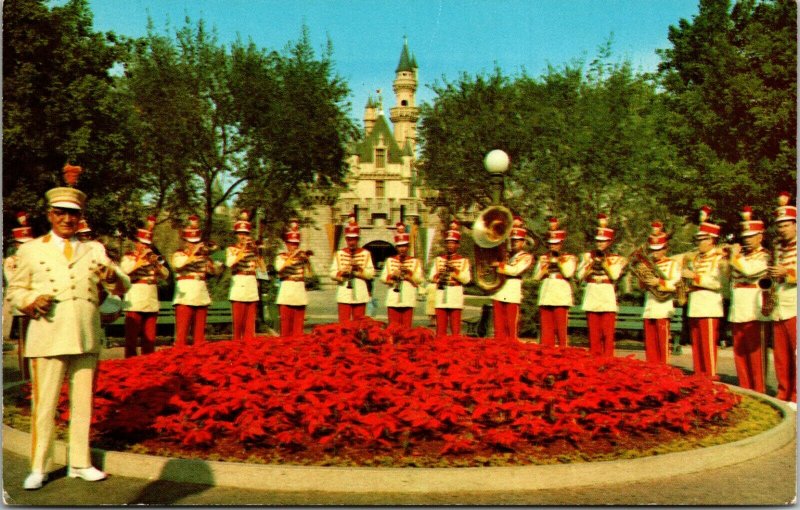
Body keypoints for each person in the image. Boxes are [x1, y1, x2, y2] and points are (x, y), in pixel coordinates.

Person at [6, 164, 130, 490]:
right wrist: (31, 301)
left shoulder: (94, 248)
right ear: (50, 214)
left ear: (80, 217)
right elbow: (14, 292)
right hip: (47, 333)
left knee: (83, 404)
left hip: (85, 333)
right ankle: (39, 466)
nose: (67, 219)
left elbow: (122, 284)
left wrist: (114, 278)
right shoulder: (31, 250)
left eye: (73, 214)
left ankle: (79, 462)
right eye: (60, 213)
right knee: (44, 405)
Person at [726, 207, 770, 393]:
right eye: (744, 237)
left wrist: (734, 256)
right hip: (738, 309)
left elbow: (749, 271)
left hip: (755, 310)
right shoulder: (740, 257)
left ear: (760, 237)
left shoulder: (766, 255)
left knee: (756, 355)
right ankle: (745, 390)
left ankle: (759, 391)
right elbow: (732, 277)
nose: (746, 240)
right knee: (740, 353)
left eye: (751, 236)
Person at [681, 206, 727, 380]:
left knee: (708, 344)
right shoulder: (695, 258)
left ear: (712, 240)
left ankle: (711, 376)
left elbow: (718, 283)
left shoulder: (719, 258)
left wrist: (695, 277)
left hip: (709, 305)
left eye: (703, 239)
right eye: (698, 239)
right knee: (697, 344)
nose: (698, 242)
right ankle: (699, 375)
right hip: (695, 304)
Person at [576, 213, 627, 357]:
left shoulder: (615, 258)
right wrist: (591, 265)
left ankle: (608, 359)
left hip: (606, 293)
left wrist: (604, 264)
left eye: (603, 241)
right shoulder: (587, 256)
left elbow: (615, 276)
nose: (599, 244)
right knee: (593, 333)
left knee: (607, 333)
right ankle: (594, 359)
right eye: (598, 241)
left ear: (609, 242)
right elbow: (579, 276)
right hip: (592, 292)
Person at [120, 215, 169, 357]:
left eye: (148, 244)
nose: (145, 247)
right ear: (137, 243)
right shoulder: (129, 257)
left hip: (151, 301)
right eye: (143, 243)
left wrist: (157, 265)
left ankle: (148, 366)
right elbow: (125, 270)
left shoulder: (153, 258)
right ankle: (130, 365)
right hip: (135, 301)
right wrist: (141, 260)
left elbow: (166, 275)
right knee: (131, 340)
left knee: (150, 340)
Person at [171, 215, 223, 346]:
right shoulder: (179, 254)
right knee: (181, 336)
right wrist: (193, 254)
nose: (193, 244)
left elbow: (215, 272)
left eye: (195, 242)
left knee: (199, 337)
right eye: (191, 242)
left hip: (201, 295)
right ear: (185, 242)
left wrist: (209, 261)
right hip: (185, 297)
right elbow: (178, 265)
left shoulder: (203, 256)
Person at [634, 221, 681, 364]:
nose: (655, 252)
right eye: (653, 249)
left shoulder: (672, 264)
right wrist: (642, 279)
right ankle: (651, 370)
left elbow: (675, 284)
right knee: (650, 343)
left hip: (663, 306)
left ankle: (664, 368)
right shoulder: (646, 265)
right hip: (649, 305)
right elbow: (642, 286)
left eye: (658, 249)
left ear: (665, 249)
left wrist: (659, 282)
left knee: (662, 342)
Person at [768, 192, 796, 405]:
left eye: (787, 225)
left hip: (795, 305)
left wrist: (787, 273)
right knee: (781, 355)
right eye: (780, 225)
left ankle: (795, 395)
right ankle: (783, 393)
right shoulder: (777, 247)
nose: (782, 229)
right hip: (779, 305)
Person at [532, 216, 576, 347]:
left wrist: (558, 261)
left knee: (561, 329)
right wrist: (544, 269)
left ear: (561, 243)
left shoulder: (568, 257)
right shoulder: (544, 258)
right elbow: (536, 276)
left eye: (556, 243)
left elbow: (568, 273)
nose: (553, 246)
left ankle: (563, 352)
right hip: (547, 292)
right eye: (551, 243)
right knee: (546, 329)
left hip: (561, 293)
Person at [490, 216, 534, 342]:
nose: (515, 242)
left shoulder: (526, 256)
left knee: (511, 328)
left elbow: (515, 270)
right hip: (499, 292)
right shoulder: (504, 255)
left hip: (512, 292)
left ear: (523, 242)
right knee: (498, 328)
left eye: (518, 240)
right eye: (513, 240)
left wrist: (499, 265)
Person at [4, 211, 35, 379]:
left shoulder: (35, 258)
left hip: (38, 305)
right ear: (16, 244)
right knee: (25, 341)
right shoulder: (11, 261)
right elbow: (13, 282)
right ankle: (25, 376)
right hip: (23, 305)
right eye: (21, 244)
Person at [225, 212, 265, 341]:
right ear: (236, 235)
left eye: (246, 234)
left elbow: (263, 270)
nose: (243, 236)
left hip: (251, 286)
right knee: (238, 325)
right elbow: (229, 263)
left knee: (250, 326)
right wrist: (242, 251)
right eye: (241, 233)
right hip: (238, 286)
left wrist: (257, 252)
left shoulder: (253, 250)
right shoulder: (231, 249)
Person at [429, 220, 471, 337]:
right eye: (448, 243)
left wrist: (454, 271)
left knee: (455, 328)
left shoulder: (463, 260)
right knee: (440, 329)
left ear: (457, 245)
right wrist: (439, 275)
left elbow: (466, 279)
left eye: (453, 243)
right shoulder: (439, 259)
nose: (450, 245)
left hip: (455, 295)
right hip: (441, 294)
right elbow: (431, 277)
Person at [330, 214, 375, 322]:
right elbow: (332, 273)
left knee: (359, 325)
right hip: (344, 292)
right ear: (346, 239)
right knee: (343, 324)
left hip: (360, 292)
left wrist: (358, 269)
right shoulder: (339, 253)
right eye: (349, 239)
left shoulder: (365, 253)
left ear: (358, 239)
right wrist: (342, 272)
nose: (352, 242)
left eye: (354, 239)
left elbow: (371, 274)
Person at [380, 223, 424, 328]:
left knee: (407, 329)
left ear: (408, 247)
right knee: (393, 328)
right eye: (400, 246)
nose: (402, 249)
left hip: (408, 298)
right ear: (396, 247)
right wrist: (392, 275)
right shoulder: (390, 260)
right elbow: (382, 277)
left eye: (404, 246)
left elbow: (420, 279)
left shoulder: (415, 261)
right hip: (393, 298)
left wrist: (409, 274)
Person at [274, 219, 311, 336]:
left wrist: (307, 261)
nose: (294, 246)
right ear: (286, 244)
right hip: (286, 294)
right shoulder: (281, 257)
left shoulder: (302, 258)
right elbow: (279, 269)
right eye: (291, 243)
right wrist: (292, 256)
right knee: (285, 329)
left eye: (296, 244)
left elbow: (310, 276)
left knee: (298, 330)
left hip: (299, 294)